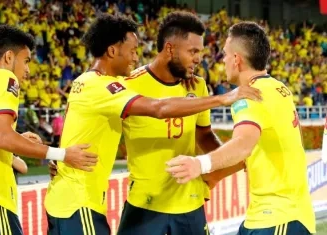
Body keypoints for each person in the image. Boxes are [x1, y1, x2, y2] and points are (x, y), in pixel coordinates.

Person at [44, 14, 261, 235]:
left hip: (189, 202)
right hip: (143, 204)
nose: (198, 58)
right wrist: (61, 158)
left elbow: (204, 135)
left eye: (200, 51)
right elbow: (154, 108)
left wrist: (220, 166)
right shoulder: (125, 84)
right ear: (170, 49)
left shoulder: (197, 86)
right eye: (193, 52)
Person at [166, 21, 316, 235]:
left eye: (225, 54)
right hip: (278, 215)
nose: (223, 60)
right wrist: (217, 174)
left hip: (278, 218)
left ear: (236, 60)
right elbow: (258, 147)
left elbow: (244, 144)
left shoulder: (249, 96)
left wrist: (200, 164)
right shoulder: (279, 87)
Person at [0, 25, 98, 235]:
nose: (28, 69)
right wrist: (62, 154)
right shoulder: (4, 78)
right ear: (9, 57)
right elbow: (2, 138)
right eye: (26, 61)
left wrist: (16, 140)